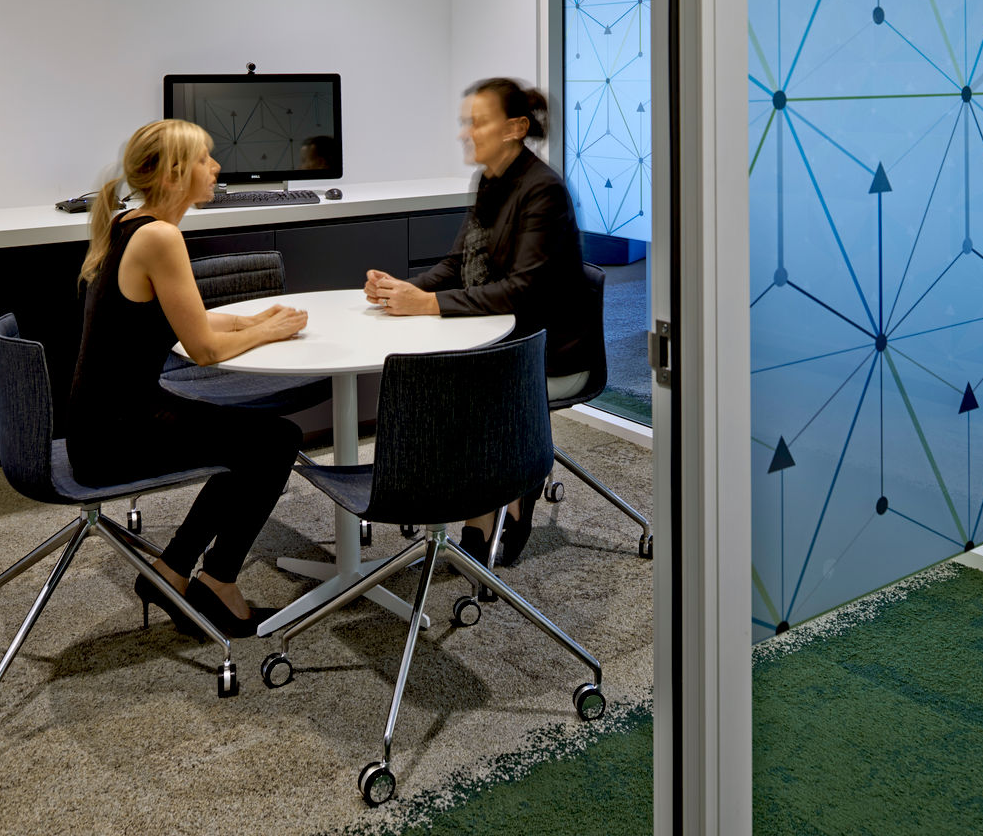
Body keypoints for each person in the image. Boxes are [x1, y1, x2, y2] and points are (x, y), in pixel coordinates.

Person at [68, 118, 309, 637]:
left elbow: (189, 318)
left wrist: (253, 321)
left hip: (104, 421)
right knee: (275, 441)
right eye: (205, 159)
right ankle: (216, 580)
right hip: (117, 434)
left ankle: (173, 571)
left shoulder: (132, 223)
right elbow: (204, 350)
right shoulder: (160, 236)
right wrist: (267, 332)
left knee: (252, 441)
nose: (216, 168)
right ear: (174, 175)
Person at [363, 78, 593, 567]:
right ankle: (470, 497)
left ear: (516, 128)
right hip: (496, 337)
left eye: (479, 122)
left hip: (545, 351)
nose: (466, 132)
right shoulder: (490, 180)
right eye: (466, 122)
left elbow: (523, 290)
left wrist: (428, 304)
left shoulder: (543, 190)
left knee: (457, 388)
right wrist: (403, 289)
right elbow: (456, 265)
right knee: (435, 377)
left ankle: (497, 505)